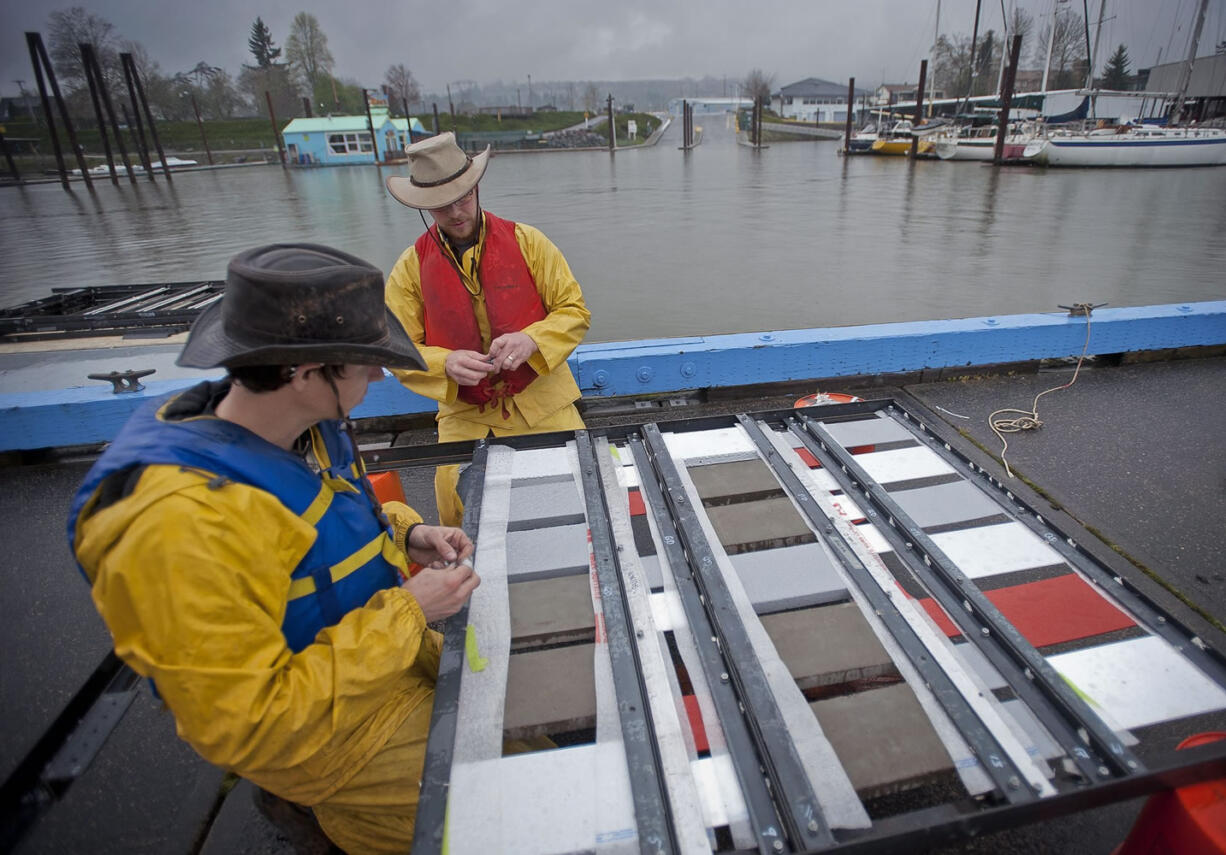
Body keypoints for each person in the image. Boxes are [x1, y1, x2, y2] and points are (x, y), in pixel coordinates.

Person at [68, 243, 480, 854]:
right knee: (510, 811)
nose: (378, 374)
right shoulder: (177, 527)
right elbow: (252, 725)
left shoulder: (292, 424)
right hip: (331, 743)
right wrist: (410, 612)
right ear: (304, 372)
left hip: (379, 666)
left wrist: (404, 535)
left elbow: (319, 526)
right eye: (363, 362)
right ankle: (318, 810)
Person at [384, 131, 591, 525]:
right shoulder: (409, 267)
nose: (457, 212)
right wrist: (444, 363)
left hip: (543, 401)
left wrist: (532, 338)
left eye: (463, 197)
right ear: (425, 207)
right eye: (442, 206)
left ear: (476, 187)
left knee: (576, 491)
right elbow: (395, 347)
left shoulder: (530, 242)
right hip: (465, 413)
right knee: (457, 507)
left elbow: (574, 311)